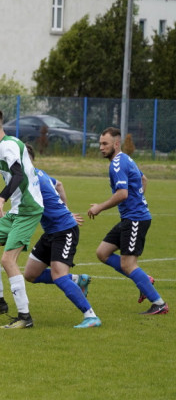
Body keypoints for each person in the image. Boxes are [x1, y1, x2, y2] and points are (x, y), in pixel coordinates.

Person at [0, 106, 44, 329]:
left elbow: (18, 175)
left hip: (28, 209)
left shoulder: (8, 146)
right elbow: (14, 183)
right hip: (17, 208)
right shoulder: (3, 147)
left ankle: (25, 317)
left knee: (7, 260)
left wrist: (1, 201)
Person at [87, 127, 167, 315]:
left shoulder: (117, 164)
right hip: (131, 217)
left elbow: (122, 194)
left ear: (116, 144)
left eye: (105, 144)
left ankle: (159, 304)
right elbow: (143, 179)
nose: (101, 147)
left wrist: (99, 207)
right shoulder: (125, 159)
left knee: (127, 264)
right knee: (102, 252)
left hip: (135, 219)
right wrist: (137, 201)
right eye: (100, 143)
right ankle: (143, 279)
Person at [21, 147, 101, 328]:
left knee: (59, 276)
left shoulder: (31, 179)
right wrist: (65, 210)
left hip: (64, 232)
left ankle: (91, 316)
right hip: (51, 232)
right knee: (31, 274)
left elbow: (27, 210)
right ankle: (76, 280)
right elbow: (59, 184)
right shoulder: (38, 174)